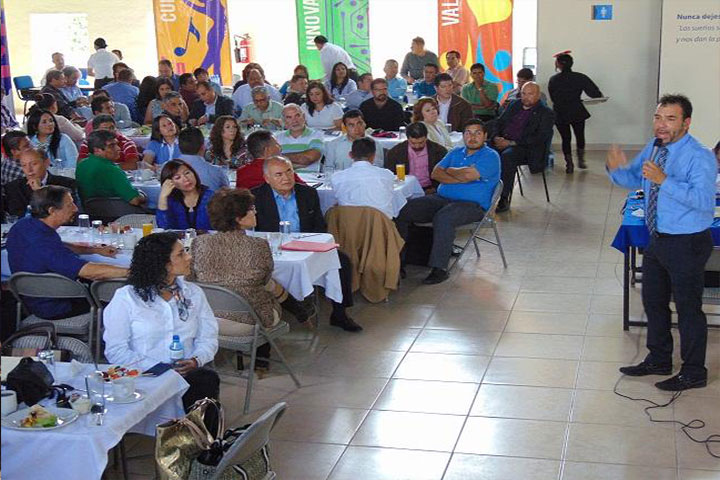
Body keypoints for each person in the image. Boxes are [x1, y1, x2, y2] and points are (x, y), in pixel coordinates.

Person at [608, 95, 715, 392]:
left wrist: (664, 180)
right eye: (658, 117)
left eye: (670, 119)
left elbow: (703, 202)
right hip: (658, 238)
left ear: (686, 123)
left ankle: (694, 371)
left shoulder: (700, 156)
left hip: (688, 242)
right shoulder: (655, 147)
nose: (661, 125)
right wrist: (616, 169)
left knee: (688, 309)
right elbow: (634, 178)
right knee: (653, 302)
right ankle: (659, 359)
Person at [189, 188, 312, 369]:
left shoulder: (199, 242)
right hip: (248, 321)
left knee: (254, 289)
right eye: (251, 209)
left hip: (209, 317)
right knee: (266, 291)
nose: (255, 211)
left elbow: (192, 278)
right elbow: (265, 279)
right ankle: (263, 358)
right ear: (238, 218)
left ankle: (298, 312)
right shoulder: (258, 245)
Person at [103, 232, 219, 412]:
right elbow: (116, 350)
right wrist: (159, 368)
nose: (189, 257)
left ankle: (197, 428)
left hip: (187, 374)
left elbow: (208, 336)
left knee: (206, 380)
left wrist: (196, 360)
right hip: (143, 375)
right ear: (162, 263)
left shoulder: (193, 293)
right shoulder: (127, 298)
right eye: (181, 254)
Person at [252, 156, 362, 331]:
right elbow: (253, 231)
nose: (286, 178)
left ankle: (340, 314)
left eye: (289, 171)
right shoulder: (255, 197)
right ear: (267, 178)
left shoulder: (307, 193)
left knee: (342, 261)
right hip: (272, 249)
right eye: (279, 174)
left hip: (305, 244)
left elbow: (319, 226)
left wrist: (310, 244)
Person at [396, 119, 500, 284]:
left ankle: (439, 269)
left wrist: (450, 171)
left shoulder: (491, 156)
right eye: (468, 133)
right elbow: (436, 173)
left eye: (477, 133)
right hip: (442, 198)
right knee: (403, 210)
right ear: (463, 135)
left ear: (485, 136)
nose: (472, 137)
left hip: (473, 206)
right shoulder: (455, 152)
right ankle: (397, 262)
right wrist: (460, 176)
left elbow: (469, 175)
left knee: (444, 218)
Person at [7, 185, 127, 320]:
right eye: (70, 205)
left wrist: (95, 250)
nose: (75, 209)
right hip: (55, 306)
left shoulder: (23, 225)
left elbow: (58, 245)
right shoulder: (44, 246)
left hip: (30, 299)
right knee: (116, 293)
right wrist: (133, 271)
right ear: (52, 210)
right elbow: (89, 271)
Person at [489, 82, 554, 211]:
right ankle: (481, 191)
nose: (526, 97)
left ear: (538, 95)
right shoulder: (515, 104)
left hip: (527, 148)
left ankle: (504, 197)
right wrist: (496, 137)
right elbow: (499, 122)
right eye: (523, 93)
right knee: (482, 150)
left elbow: (539, 138)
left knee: (508, 156)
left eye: (530, 94)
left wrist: (511, 143)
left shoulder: (546, 113)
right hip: (504, 140)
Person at [548, 53, 604, 171]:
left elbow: (553, 98)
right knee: (580, 135)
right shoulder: (580, 77)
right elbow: (594, 93)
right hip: (577, 110)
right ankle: (581, 160)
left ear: (558, 64)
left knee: (565, 138)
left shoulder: (553, 79)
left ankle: (569, 164)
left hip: (560, 112)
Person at [75, 130, 146, 207]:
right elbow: (134, 200)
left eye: (117, 144)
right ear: (97, 150)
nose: (118, 148)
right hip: (121, 212)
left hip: (88, 211)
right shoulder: (112, 169)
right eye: (112, 146)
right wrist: (143, 195)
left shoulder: (81, 165)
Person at [331, 138, 395, 218]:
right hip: (380, 224)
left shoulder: (337, 178)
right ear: (374, 156)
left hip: (349, 224)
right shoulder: (386, 175)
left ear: (350, 155)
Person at [5, 149, 78, 217]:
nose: (29, 170)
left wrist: (40, 191)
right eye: (24, 165)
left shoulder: (67, 184)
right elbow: (17, 215)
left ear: (46, 163)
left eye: (34, 164)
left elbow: (70, 213)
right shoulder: (14, 187)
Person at [385, 122, 448, 193]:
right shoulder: (395, 152)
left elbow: (446, 175)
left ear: (426, 137)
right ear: (407, 139)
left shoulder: (439, 151)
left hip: (431, 190)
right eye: (413, 143)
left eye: (421, 142)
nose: (417, 146)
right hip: (405, 190)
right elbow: (389, 175)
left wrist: (435, 189)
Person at [236, 129, 303, 190]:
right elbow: (305, 191)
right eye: (277, 144)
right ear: (268, 150)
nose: (280, 148)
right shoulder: (282, 170)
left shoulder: (241, 172)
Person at [157, 160, 213, 231]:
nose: (186, 179)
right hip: (178, 238)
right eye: (178, 177)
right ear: (169, 183)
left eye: (187, 173)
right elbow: (164, 229)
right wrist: (162, 197)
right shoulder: (170, 201)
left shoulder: (211, 196)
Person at [177, 126, 230, 192]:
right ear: (203, 147)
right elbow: (227, 193)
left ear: (179, 146)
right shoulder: (217, 172)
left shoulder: (167, 169)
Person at [276, 104, 324, 171]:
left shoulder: (316, 135)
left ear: (304, 117)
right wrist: (299, 163)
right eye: (289, 117)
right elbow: (273, 162)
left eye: (297, 115)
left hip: (310, 177)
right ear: (284, 121)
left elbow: (309, 158)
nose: (294, 120)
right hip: (285, 176)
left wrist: (280, 157)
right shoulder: (277, 138)